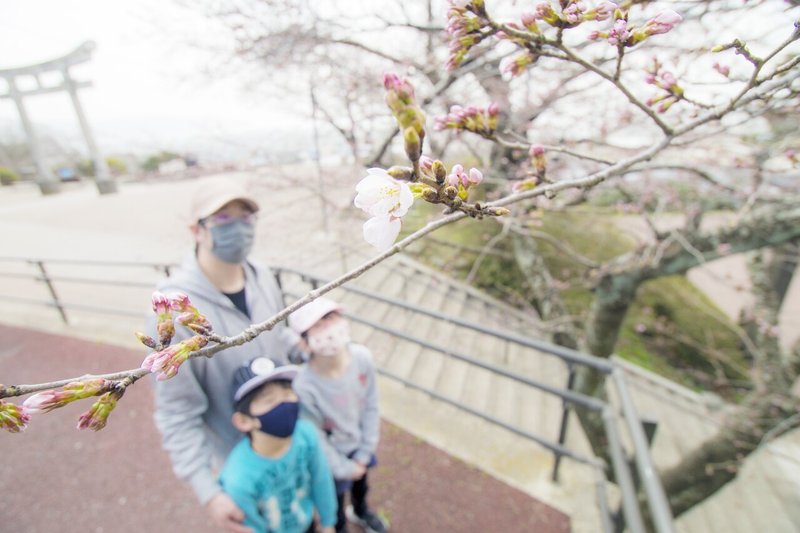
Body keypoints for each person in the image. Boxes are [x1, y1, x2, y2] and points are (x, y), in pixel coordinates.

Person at [147, 177, 302, 532]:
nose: (239, 229)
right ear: (196, 230)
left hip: (289, 438)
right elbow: (176, 411)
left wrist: (303, 348)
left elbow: (278, 336)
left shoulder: (261, 275)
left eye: (246, 218)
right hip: (238, 459)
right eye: (223, 219)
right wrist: (208, 490)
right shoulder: (173, 310)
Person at [290, 298, 388, 533]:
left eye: (331, 318)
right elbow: (315, 435)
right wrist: (343, 468)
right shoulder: (304, 385)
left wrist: (365, 451)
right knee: (333, 501)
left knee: (361, 485)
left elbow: (371, 405)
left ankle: (361, 510)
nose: (329, 329)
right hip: (331, 459)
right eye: (318, 325)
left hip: (360, 447)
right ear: (304, 343)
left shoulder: (362, 358)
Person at [220, 357, 338, 533]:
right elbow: (252, 526)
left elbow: (321, 478)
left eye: (288, 392)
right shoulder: (238, 478)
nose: (284, 404)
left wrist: (328, 521)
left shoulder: (306, 434)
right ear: (244, 421)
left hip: (308, 523)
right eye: (269, 400)